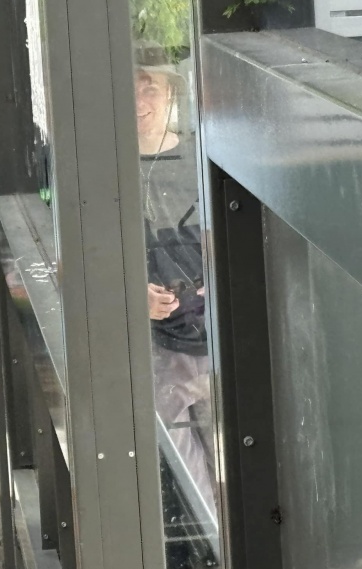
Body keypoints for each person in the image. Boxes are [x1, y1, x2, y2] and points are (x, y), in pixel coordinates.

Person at [136, 47, 216, 512]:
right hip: (155, 351)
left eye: (151, 86)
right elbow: (78, 262)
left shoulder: (200, 156)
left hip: (214, 342)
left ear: (171, 93)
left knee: (232, 477)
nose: (140, 100)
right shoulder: (103, 170)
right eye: (130, 86)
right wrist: (133, 297)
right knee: (189, 488)